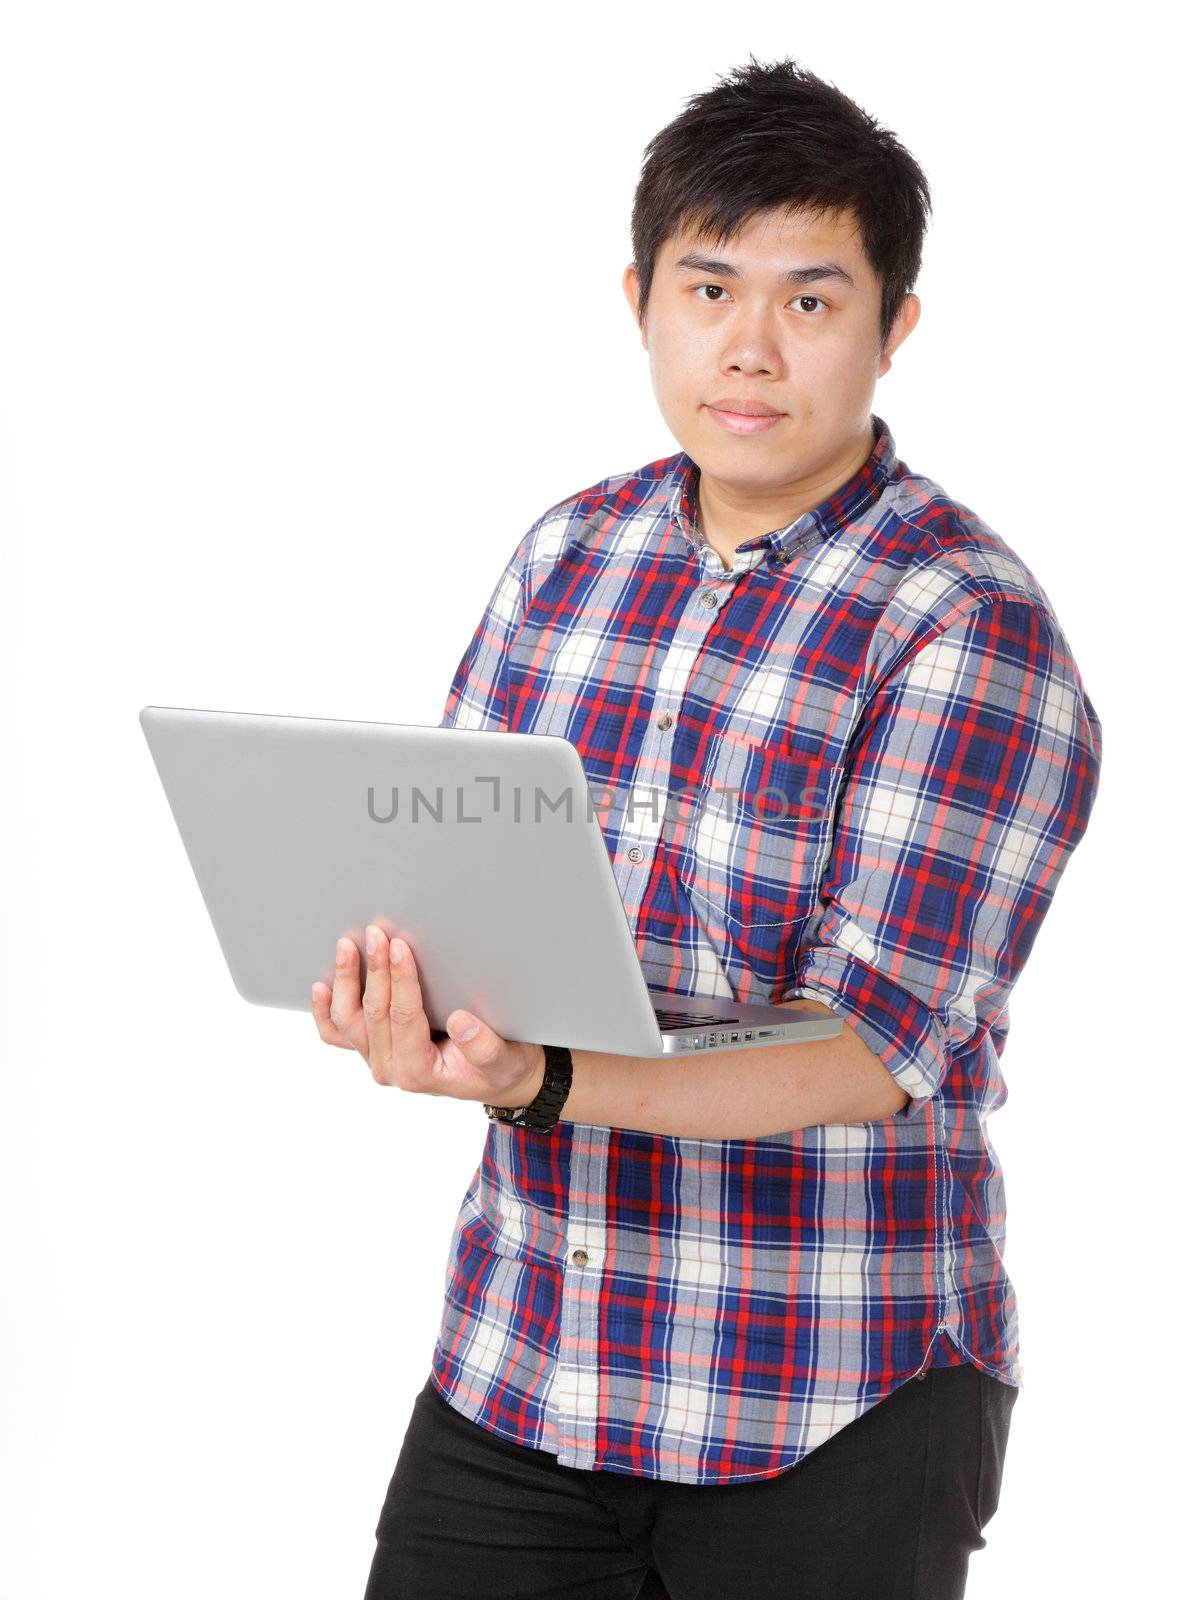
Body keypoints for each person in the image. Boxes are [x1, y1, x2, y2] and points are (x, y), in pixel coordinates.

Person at [312, 54, 1103, 1600]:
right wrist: (404, 996)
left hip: (830, 1395)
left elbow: (873, 1046)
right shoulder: (572, 552)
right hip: (527, 1357)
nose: (749, 349)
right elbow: (479, 886)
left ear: (895, 329)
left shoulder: (963, 625)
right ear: (640, 301)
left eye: (811, 300)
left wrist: (540, 1081)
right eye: (710, 287)